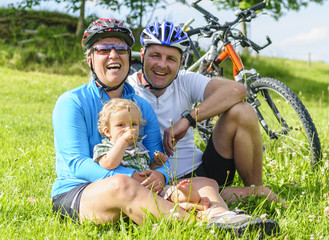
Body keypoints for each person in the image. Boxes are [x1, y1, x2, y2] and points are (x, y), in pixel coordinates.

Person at [50, 18, 279, 237]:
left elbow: (158, 157)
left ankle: (222, 215)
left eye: (120, 49)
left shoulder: (140, 105)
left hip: (136, 187)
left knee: (205, 183)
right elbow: (77, 164)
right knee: (122, 185)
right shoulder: (72, 102)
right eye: (103, 49)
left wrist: (160, 175)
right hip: (80, 191)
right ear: (90, 58)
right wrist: (132, 176)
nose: (113, 55)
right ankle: (207, 225)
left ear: (130, 57)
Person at [127, 21, 283, 205]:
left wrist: (187, 119)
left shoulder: (184, 80)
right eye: (155, 56)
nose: (162, 64)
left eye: (171, 59)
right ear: (143, 55)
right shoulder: (127, 89)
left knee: (243, 110)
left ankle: (254, 190)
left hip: (201, 169)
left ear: (181, 62)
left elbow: (238, 90)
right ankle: (235, 196)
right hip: (158, 180)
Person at [93, 98, 209, 211]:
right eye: (121, 125)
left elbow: (145, 168)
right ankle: (189, 205)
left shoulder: (139, 147)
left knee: (168, 192)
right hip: (128, 194)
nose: (128, 129)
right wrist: (123, 141)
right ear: (107, 131)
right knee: (156, 202)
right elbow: (109, 164)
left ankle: (186, 196)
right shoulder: (104, 148)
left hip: (150, 189)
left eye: (133, 124)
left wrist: (155, 164)